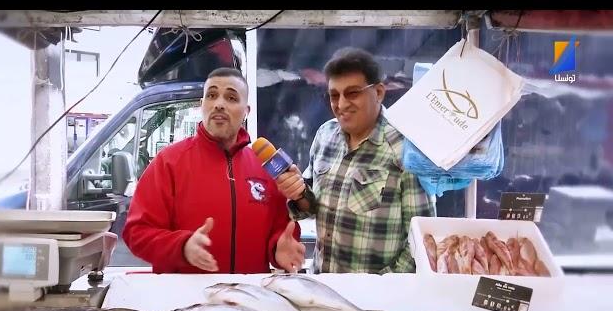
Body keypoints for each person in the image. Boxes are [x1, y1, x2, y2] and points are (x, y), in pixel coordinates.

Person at [123, 67, 305, 274]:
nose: (219, 104)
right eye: (211, 95)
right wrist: (182, 246)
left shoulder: (264, 166)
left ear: (246, 111)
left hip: (246, 298)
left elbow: (281, 230)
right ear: (202, 105)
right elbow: (136, 233)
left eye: (231, 97)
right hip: (186, 300)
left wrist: (278, 248)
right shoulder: (168, 162)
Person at [276, 48, 434, 274]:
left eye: (352, 93)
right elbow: (312, 207)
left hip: (376, 299)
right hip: (323, 284)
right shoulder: (325, 135)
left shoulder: (406, 149)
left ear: (379, 92)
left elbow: (421, 238)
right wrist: (298, 193)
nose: (341, 105)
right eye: (334, 95)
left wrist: (384, 289)